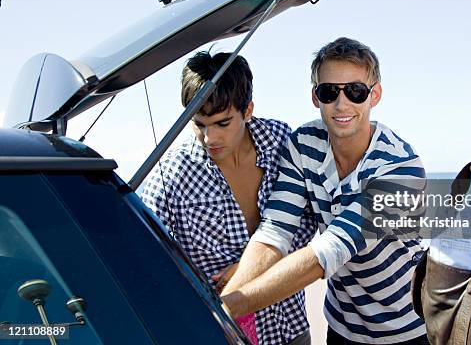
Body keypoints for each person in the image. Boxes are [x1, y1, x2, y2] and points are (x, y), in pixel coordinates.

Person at [221, 37, 429, 344]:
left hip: (405, 327)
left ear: (375, 95)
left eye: (356, 92)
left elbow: (329, 250)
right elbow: (274, 232)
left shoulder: (401, 169)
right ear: (316, 97)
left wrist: (229, 309)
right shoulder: (304, 144)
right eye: (329, 92)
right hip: (342, 324)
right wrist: (223, 300)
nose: (341, 104)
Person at [140, 51, 316, 345]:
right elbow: (151, 264)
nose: (210, 138)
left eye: (222, 123)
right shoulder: (169, 177)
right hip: (220, 333)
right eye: (199, 124)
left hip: (290, 324)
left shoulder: (281, 141)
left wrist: (253, 266)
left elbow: (309, 216)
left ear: (248, 110)